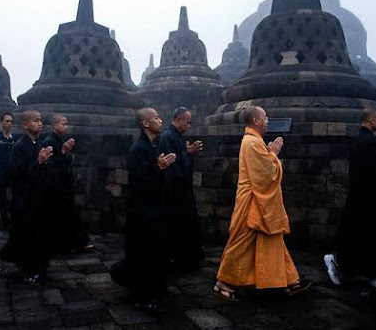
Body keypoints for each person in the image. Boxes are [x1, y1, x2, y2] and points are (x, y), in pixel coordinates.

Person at [214, 106, 311, 300]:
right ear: (256, 121)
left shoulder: (255, 141)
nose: (268, 121)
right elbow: (265, 174)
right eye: (265, 118)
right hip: (252, 201)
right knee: (242, 242)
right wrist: (273, 153)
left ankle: (289, 280)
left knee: (272, 239)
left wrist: (268, 153)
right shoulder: (251, 142)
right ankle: (223, 282)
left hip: (258, 199)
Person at [111, 107, 176, 315]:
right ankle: (145, 295)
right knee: (145, 254)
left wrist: (160, 168)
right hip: (143, 213)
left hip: (155, 210)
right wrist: (157, 168)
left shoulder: (153, 145)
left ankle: (153, 289)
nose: (160, 120)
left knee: (157, 253)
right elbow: (139, 182)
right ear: (146, 123)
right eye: (156, 118)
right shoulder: (139, 149)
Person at [324, 108, 376, 287]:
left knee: (356, 233)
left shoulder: (359, 140)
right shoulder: (370, 142)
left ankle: (349, 266)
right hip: (369, 197)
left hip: (359, 194)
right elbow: (373, 173)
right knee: (367, 235)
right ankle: (344, 264)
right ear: (371, 120)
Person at [0, 110, 53, 286]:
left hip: (39, 198)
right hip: (24, 198)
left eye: (40, 121)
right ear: (25, 125)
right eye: (36, 121)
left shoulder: (38, 144)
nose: (40, 124)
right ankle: (30, 268)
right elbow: (14, 172)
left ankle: (38, 265)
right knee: (27, 234)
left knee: (39, 233)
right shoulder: (20, 146)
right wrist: (38, 161)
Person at [159, 107, 204, 271]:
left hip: (182, 190)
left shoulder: (175, 136)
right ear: (178, 119)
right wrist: (187, 152)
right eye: (188, 122)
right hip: (175, 192)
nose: (189, 126)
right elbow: (171, 164)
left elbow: (178, 157)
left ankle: (186, 259)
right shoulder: (167, 137)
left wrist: (186, 151)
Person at [42, 114, 93, 253]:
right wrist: (63, 151)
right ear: (54, 125)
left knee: (68, 213)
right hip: (55, 185)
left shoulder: (59, 140)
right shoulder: (49, 141)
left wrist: (66, 153)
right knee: (61, 214)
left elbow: (65, 161)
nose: (65, 126)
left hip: (64, 183)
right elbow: (49, 165)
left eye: (66, 124)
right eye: (62, 124)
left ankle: (74, 242)